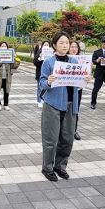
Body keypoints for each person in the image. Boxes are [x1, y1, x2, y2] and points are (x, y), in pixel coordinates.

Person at [39, 32, 90, 181]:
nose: (65, 45)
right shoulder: (48, 62)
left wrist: (86, 79)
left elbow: (79, 84)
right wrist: (48, 81)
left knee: (67, 139)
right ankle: (47, 168)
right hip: (52, 104)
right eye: (61, 43)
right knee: (51, 139)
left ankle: (60, 166)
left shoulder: (74, 62)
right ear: (54, 45)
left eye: (67, 43)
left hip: (70, 105)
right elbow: (41, 84)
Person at [0, 42, 20, 111]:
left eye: (5, 46)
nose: (4, 47)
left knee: (7, 91)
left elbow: (14, 66)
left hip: (7, 77)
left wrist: (15, 59)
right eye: (2, 46)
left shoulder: (10, 55)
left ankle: (6, 104)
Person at [68, 40, 83, 140]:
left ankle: (74, 130)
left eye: (76, 47)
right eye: (72, 47)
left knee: (75, 109)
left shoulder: (82, 60)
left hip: (77, 89)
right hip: (66, 87)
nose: (74, 49)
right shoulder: (64, 59)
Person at [34, 40, 51, 108]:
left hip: (49, 75)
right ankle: (39, 101)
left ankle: (44, 99)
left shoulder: (51, 53)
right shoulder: (39, 53)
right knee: (40, 88)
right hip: (40, 74)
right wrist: (39, 59)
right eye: (45, 45)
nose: (46, 46)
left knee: (46, 88)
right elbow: (35, 62)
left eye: (47, 45)